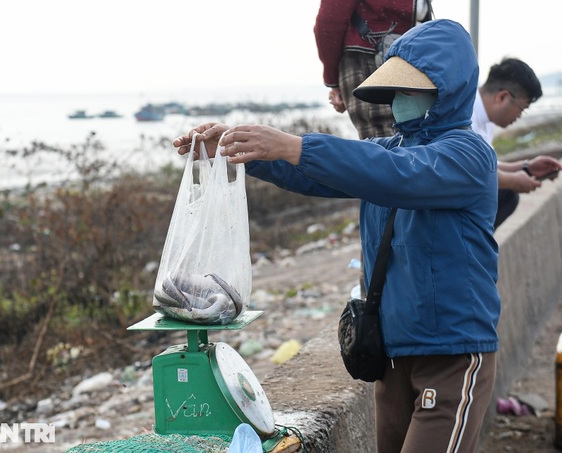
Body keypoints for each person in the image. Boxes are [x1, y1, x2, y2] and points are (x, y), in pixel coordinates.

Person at [174, 19, 500, 452]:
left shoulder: (468, 155)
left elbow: (393, 175)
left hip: (453, 355)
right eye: (396, 89)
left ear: (447, 90)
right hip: (396, 354)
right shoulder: (395, 148)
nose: (399, 100)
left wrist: (295, 144)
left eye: (411, 88)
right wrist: (246, 152)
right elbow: (332, 173)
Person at [314, 0, 433, 139]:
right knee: (385, 142)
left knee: (406, 141)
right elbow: (329, 21)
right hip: (367, 58)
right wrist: (334, 81)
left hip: (410, 58)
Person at [472, 57, 562, 229]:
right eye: (522, 109)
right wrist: (512, 180)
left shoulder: (486, 119)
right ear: (502, 97)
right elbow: (469, 171)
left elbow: (487, 166)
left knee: (507, 196)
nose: (519, 116)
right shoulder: (466, 115)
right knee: (506, 195)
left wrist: (526, 167)